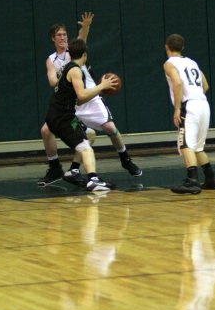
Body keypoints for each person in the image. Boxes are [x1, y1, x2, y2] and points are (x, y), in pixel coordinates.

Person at [38, 12, 142, 187]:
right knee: (46, 131)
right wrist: (65, 73)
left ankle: (125, 158)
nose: (63, 37)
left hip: (90, 96)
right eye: (59, 35)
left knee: (110, 128)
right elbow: (52, 81)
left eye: (65, 34)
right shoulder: (51, 60)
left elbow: (82, 39)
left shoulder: (74, 50)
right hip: (72, 101)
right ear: (53, 39)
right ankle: (55, 167)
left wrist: (86, 26)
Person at [45, 38, 118, 192]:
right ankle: (93, 179)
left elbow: (78, 101)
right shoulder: (75, 70)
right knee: (86, 148)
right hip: (62, 117)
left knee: (86, 137)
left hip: (58, 115)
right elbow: (82, 96)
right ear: (84, 54)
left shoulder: (68, 69)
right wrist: (101, 86)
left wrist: (97, 90)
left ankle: (74, 171)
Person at [163, 34, 215, 195]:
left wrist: (177, 108)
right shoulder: (192, 62)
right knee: (198, 147)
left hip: (190, 106)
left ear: (166, 46)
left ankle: (192, 181)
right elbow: (206, 85)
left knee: (186, 144)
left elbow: (178, 82)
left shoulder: (169, 63)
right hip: (203, 103)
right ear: (182, 48)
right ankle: (211, 179)